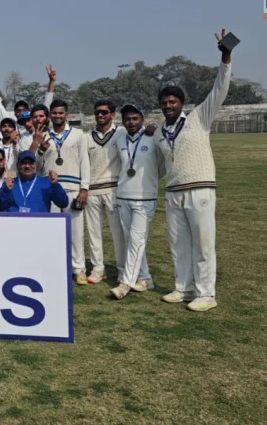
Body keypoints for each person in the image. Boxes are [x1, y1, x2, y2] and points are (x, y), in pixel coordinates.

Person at [156, 29, 233, 312]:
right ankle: (183, 288)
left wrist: (226, 55)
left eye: (172, 102)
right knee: (178, 244)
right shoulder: (161, 131)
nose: (168, 106)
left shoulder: (199, 117)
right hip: (173, 192)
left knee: (203, 244)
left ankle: (206, 294)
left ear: (181, 104)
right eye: (164, 103)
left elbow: (219, 89)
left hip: (200, 188)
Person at [32, 89, 91, 284]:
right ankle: (55, 267)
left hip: (73, 187)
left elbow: (84, 162)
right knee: (52, 232)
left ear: (67, 114)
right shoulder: (43, 135)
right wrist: (41, 148)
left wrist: (84, 188)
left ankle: (79, 269)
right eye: (54, 113)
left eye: (61, 113)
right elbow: (36, 164)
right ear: (50, 115)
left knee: (76, 232)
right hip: (50, 189)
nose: (57, 116)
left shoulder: (78, 134)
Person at [110, 104, 165, 300]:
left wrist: (150, 181)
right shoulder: (120, 140)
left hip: (145, 197)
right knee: (131, 241)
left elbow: (163, 164)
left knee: (136, 240)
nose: (131, 122)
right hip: (123, 195)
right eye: (127, 119)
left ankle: (126, 283)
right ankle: (145, 278)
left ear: (142, 119)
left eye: (135, 118)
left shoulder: (153, 136)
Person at [84, 100, 126, 285]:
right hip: (92, 190)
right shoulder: (87, 137)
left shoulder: (122, 133)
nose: (100, 115)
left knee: (118, 233)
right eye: (97, 112)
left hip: (114, 189)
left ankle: (123, 269)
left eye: (104, 112)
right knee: (94, 233)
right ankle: (97, 268)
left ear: (112, 114)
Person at [0, 150, 69, 212]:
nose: (27, 166)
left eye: (30, 163)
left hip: (39, 225)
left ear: (36, 165)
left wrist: (55, 185)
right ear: (17, 165)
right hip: (15, 225)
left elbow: (63, 203)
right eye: (24, 163)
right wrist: (6, 191)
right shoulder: (10, 183)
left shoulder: (46, 183)